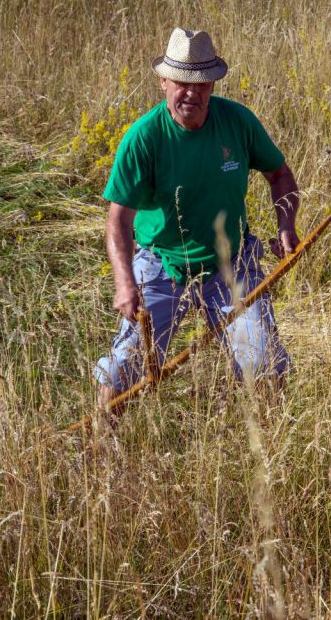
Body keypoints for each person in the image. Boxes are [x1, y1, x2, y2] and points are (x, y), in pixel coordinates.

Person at [93, 27, 299, 408]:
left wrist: (286, 225)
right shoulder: (143, 137)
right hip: (161, 267)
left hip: (231, 264)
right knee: (124, 371)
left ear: (213, 85)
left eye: (202, 83)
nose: (192, 92)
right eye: (182, 82)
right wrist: (125, 284)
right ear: (163, 82)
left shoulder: (237, 122)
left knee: (263, 363)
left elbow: (280, 174)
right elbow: (118, 219)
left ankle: (270, 453)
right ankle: (102, 451)